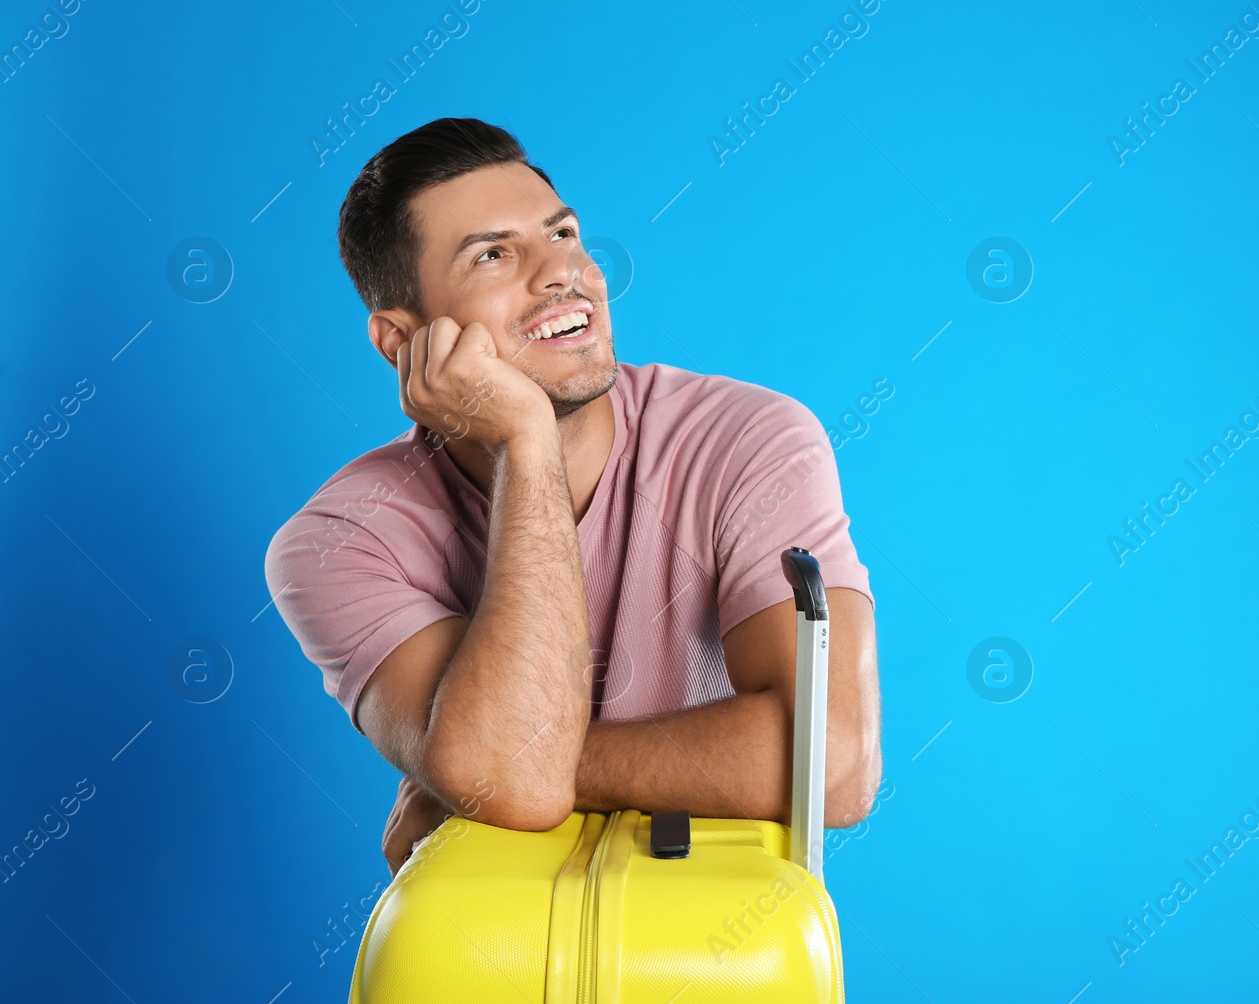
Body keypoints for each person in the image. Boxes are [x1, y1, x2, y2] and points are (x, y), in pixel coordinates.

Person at [263, 117, 882, 875]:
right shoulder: (339, 541)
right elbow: (514, 782)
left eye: (563, 235)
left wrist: (491, 772)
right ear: (401, 341)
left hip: (719, 942)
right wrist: (525, 440)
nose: (562, 272)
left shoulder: (751, 439)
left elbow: (835, 765)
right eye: (493, 254)